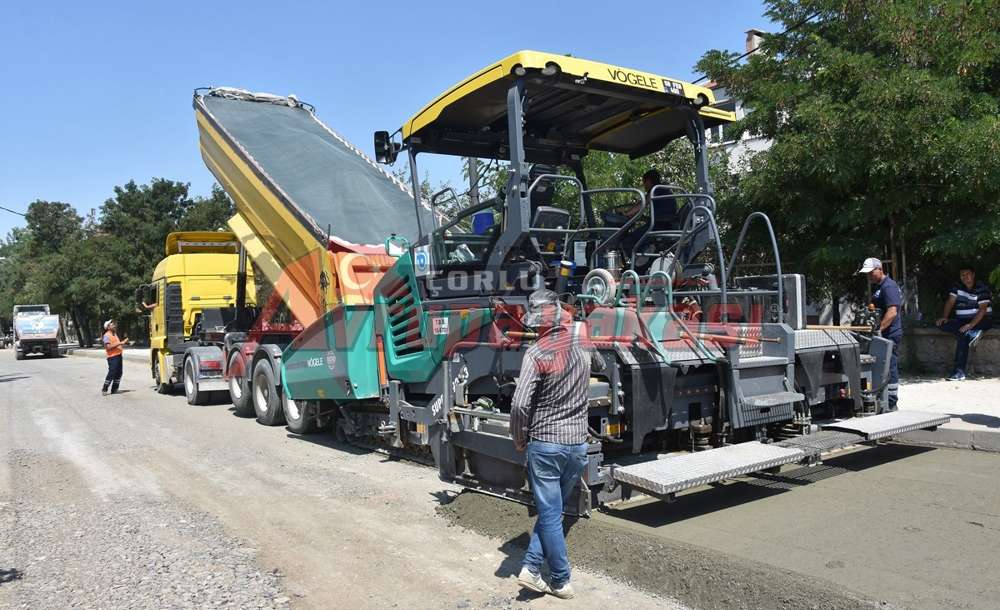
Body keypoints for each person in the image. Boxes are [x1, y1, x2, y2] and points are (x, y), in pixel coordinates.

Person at [510, 289, 605, 599]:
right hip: (577, 445)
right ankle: (531, 568)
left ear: (539, 323)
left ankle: (561, 580)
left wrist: (520, 438)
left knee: (550, 513)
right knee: (554, 511)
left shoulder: (536, 352)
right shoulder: (582, 338)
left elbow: (520, 404)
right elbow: (602, 362)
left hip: (546, 445)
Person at [858, 258, 902, 411]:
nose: (869, 276)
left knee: (890, 366)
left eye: (871, 272)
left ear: (880, 269)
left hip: (889, 334)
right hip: (882, 334)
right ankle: (882, 398)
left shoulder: (889, 286)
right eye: (867, 274)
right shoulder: (879, 287)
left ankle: (891, 401)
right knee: (882, 366)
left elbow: (892, 312)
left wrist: (879, 330)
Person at [935, 264, 992, 381]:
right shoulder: (957, 287)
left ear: (973, 275)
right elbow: (950, 302)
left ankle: (959, 372)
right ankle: (973, 333)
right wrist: (944, 317)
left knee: (963, 335)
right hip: (962, 321)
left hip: (982, 320)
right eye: (962, 275)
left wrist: (970, 325)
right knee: (941, 325)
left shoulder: (982, 288)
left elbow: (983, 309)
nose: (964, 277)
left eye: (967, 274)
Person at [101, 319, 131, 395]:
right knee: (112, 372)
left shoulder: (115, 334)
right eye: (112, 324)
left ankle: (114, 389)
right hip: (112, 357)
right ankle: (104, 389)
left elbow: (117, 344)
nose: (114, 325)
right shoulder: (106, 336)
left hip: (118, 356)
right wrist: (120, 343)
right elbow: (108, 347)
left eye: (114, 324)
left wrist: (124, 343)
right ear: (108, 327)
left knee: (119, 373)